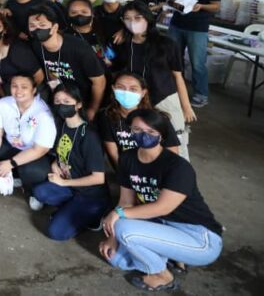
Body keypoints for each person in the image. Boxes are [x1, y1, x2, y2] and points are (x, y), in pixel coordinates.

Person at [99, 109, 223, 291]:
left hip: (199, 238)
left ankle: (162, 275)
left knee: (123, 228)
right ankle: (170, 256)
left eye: (151, 131)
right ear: (130, 130)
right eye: (137, 130)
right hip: (164, 225)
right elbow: (125, 202)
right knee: (116, 258)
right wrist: (113, 237)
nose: (144, 135)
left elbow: (162, 208)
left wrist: (116, 219)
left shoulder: (178, 167)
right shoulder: (127, 158)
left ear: (162, 135)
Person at [112, 1, 195, 159]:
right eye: (127, 18)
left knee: (176, 138)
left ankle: (180, 170)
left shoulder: (166, 44)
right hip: (136, 99)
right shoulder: (123, 44)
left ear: (148, 18)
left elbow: (178, 76)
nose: (132, 22)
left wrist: (186, 106)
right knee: (142, 138)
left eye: (138, 18)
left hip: (164, 97)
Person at [28, 83, 109, 241]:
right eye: (57, 101)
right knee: (40, 192)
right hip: (72, 188)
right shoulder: (62, 125)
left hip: (90, 195)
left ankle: (95, 216)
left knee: (56, 233)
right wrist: (55, 164)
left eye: (67, 101)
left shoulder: (89, 135)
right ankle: (72, 210)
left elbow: (98, 178)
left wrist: (64, 183)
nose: (61, 105)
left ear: (78, 104)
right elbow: (60, 154)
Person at [0, 71, 55, 194]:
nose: (18, 91)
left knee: (33, 172)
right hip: (11, 145)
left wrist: (11, 163)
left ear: (34, 90)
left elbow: (40, 150)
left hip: (32, 151)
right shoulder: (3, 103)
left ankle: (30, 191)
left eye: (24, 87)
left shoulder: (44, 114)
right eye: (14, 86)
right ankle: (10, 176)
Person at [28, 5, 106, 121]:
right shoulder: (36, 46)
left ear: (54, 27)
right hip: (58, 99)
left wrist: (93, 108)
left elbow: (99, 81)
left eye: (42, 25)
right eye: (32, 26)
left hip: (83, 100)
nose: (37, 29)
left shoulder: (79, 48)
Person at [165, 0, 222, 108]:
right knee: (173, 59)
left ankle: (201, 94)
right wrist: (173, 3)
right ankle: (174, 88)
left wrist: (201, 6)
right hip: (177, 24)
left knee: (197, 62)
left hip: (198, 28)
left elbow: (216, 6)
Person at [97, 72, 181, 169]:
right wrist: (126, 174)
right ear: (113, 89)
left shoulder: (159, 118)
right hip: (126, 169)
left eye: (133, 89)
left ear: (143, 93)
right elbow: (114, 154)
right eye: (120, 87)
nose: (126, 92)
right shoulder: (106, 117)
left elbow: (172, 151)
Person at [0, 11, 43, 104]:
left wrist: (23, 95)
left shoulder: (18, 49)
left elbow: (39, 76)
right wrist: (4, 97)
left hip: (28, 91)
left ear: (4, 30)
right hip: (7, 89)